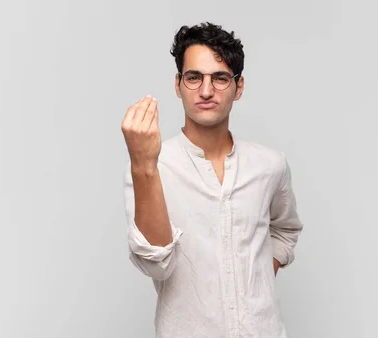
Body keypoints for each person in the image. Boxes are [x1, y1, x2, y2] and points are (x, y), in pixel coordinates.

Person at [121, 22, 304, 338]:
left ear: (239, 86)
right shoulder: (150, 167)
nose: (206, 91)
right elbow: (156, 264)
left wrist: (259, 276)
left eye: (220, 78)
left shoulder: (270, 165)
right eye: (194, 78)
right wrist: (143, 166)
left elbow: (285, 229)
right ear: (178, 85)